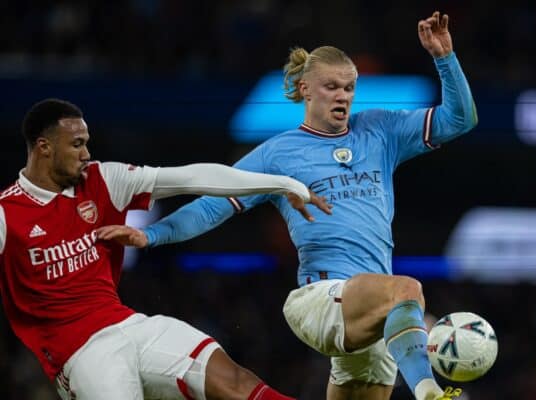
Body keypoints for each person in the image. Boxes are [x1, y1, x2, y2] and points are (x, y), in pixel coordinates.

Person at [99, 11, 476, 400]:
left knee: (398, 299)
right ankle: (429, 391)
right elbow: (213, 208)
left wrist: (444, 58)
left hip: (376, 317)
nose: (342, 96)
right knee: (408, 289)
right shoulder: (278, 154)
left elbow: (459, 119)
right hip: (320, 298)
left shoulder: (380, 130)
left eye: (349, 87)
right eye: (331, 86)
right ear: (305, 88)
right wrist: (152, 234)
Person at [0, 98, 333, 400]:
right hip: (81, 355)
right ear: (44, 148)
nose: (87, 154)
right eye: (76, 145)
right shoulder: (7, 213)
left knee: (234, 381)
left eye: (86, 144)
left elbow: (191, 177)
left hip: (130, 326)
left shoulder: (103, 179)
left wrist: (283, 184)